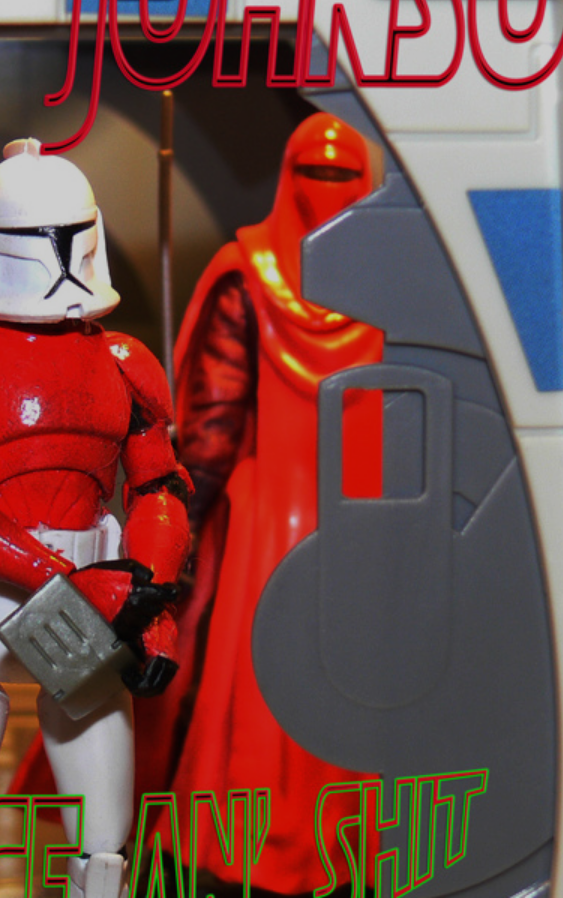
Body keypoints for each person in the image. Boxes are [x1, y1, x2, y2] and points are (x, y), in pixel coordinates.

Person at [0, 139, 191, 898]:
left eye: (66, 236)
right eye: (37, 238)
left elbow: (160, 488)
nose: (55, 256)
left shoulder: (124, 362)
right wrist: (70, 581)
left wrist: (149, 593)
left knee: (104, 848)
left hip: (86, 606)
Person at [161, 112, 386, 896]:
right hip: (368, 527)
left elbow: (211, 428)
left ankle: (248, 851)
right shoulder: (393, 272)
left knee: (246, 708)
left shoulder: (244, 273)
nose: (325, 190)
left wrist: (178, 533)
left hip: (264, 531)